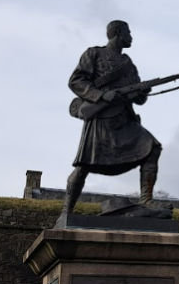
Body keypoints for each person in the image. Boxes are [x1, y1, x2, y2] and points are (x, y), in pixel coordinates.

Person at [63, 20, 162, 216]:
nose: (131, 37)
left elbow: (138, 98)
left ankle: (147, 200)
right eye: (128, 32)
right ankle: (66, 211)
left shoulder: (128, 64)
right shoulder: (94, 54)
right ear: (117, 33)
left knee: (153, 147)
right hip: (101, 120)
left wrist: (143, 91)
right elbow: (76, 81)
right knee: (83, 167)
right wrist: (100, 95)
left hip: (124, 121)